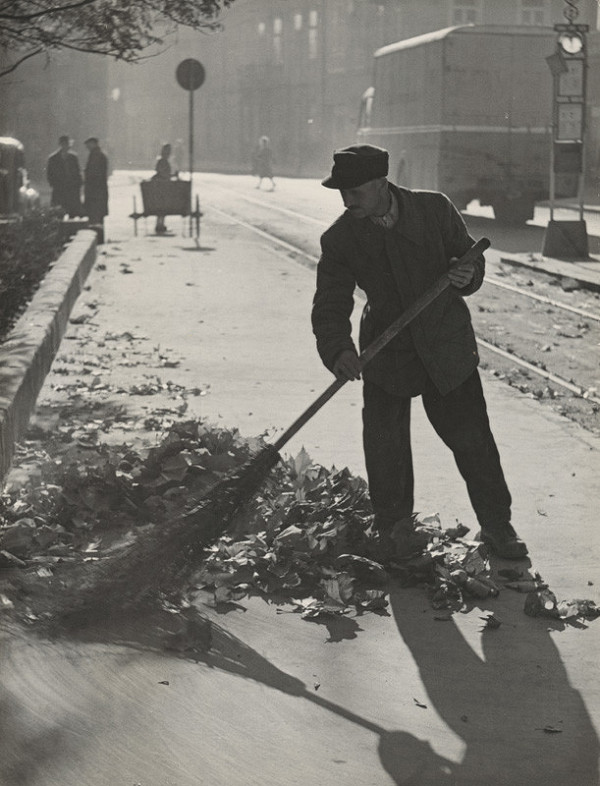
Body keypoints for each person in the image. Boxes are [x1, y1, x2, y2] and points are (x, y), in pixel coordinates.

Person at [311, 144, 528, 560]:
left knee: (472, 441)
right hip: (385, 350)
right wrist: (337, 350)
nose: (346, 200)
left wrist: (467, 274)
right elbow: (330, 302)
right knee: (384, 445)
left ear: (380, 183)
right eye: (341, 192)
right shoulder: (340, 237)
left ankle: (497, 526)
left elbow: (470, 261)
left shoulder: (434, 210)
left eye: (354, 191)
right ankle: (394, 529)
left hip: (446, 346)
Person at [46, 135, 82, 217]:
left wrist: (78, 184)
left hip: (72, 188)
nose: (66, 146)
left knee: (73, 211)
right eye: (64, 144)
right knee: (58, 211)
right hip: (59, 188)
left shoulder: (73, 157)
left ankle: (71, 228)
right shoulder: (53, 158)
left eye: (68, 144)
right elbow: (49, 173)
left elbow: (77, 172)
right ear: (60, 144)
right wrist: (53, 184)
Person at [83, 137, 109, 237]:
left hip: (95, 192)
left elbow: (94, 174)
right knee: (98, 217)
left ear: (93, 144)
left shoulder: (96, 155)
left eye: (88, 144)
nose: (87, 147)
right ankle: (99, 237)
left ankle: (97, 238)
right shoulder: (98, 154)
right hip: (99, 191)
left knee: (95, 217)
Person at [152, 142, 174, 234]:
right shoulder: (163, 161)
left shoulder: (162, 160)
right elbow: (162, 173)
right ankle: (159, 225)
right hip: (162, 187)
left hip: (161, 186)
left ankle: (160, 224)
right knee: (162, 207)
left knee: (161, 207)